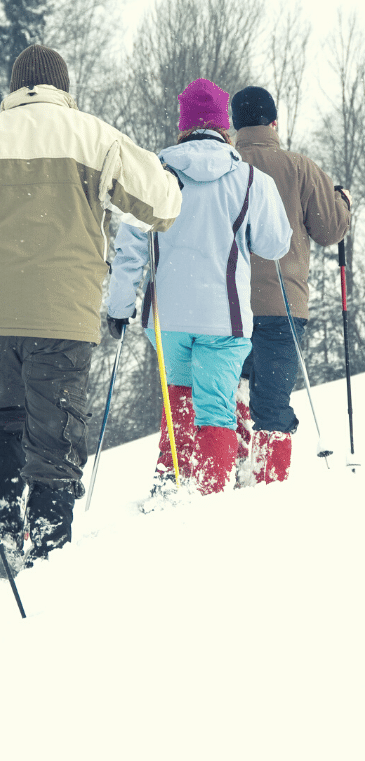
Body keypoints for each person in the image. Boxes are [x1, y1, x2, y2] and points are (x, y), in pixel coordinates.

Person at [0, 45, 182, 569]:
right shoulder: (95, 137)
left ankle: (5, 533)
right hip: (64, 314)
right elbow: (162, 206)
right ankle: (49, 545)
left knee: (1, 419)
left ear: (14, 89)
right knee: (56, 428)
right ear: (64, 87)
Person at [105, 78, 292, 497]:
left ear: (183, 125)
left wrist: (119, 307)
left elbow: (130, 247)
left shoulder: (155, 174)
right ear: (225, 126)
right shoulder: (250, 180)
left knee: (179, 404)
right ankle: (209, 496)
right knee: (216, 410)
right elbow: (275, 244)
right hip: (224, 319)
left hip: (167, 318)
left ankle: (172, 490)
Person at [230, 86, 351, 485]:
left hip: (229, 308)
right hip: (283, 307)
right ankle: (267, 486)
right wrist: (343, 203)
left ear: (235, 124)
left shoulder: (227, 164)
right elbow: (330, 230)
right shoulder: (298, 167)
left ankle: (233, 471)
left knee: (233, 393)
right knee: (273, 402)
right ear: (274, 122)